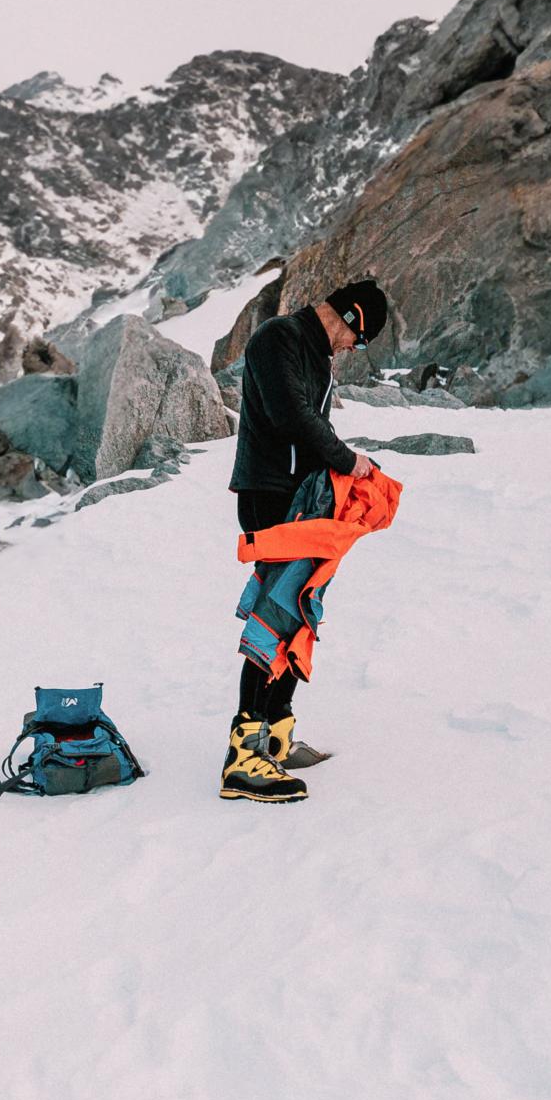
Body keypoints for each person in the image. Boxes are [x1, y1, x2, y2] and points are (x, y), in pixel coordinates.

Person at [222, 278, 389, 803]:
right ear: (350, 317)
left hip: (300, 496)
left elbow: (309, 425)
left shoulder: (316, 354)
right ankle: (243, 756)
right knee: (275, 613)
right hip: (269, 493)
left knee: (300, 605)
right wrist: (347, 460)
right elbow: (290, 417)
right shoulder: (279, 339)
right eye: (357, 340)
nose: (352, 349)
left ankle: (274, 731)